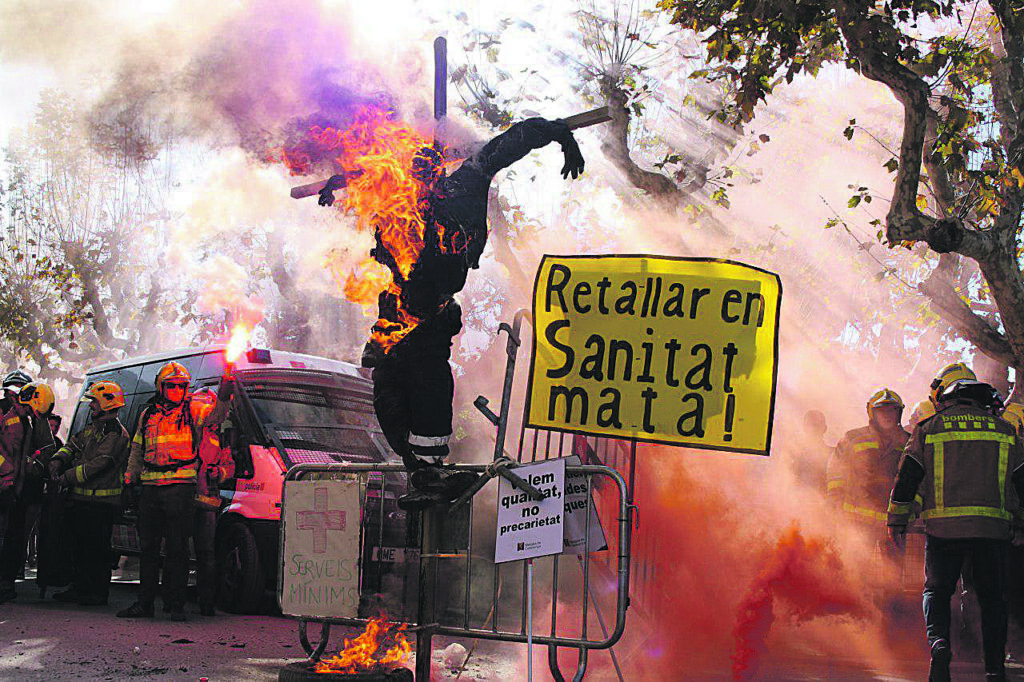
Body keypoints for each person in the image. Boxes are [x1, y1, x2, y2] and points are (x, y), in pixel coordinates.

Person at [318, 116, 585, 509]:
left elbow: (508, 143)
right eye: (412, 168)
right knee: (388, 392)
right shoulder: (394, 197)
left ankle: (429, 471)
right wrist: (337, 185)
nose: (416, 176)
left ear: (437, 170)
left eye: (424, 167)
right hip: (394, 316)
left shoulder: (463, 187)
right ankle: (422, 473)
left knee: (429, 388)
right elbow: (366, 179)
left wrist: (561, 133)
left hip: (432, 315)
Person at [888, 378, 1024, 682]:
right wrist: (1020, 524)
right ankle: (994, 668)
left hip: (942, 530)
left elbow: (908, 477)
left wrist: (896, 520)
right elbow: (1022, 482)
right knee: (992, 599)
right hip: (991, 530)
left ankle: (939, 644)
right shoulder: (1005, 430)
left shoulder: (929, 427)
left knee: (936, 591)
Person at [117, 362, 233, 621]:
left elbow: (216, 416)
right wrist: (128, 480)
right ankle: (144, 604)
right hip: (150, 490)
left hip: (180, 490)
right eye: (171, 386)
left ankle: (177, 606)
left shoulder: (194, 409)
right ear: (161, 387)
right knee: (147, 551)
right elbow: (137, 450)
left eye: (181, 386)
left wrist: (224, 396)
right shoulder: (147, 415)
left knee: (178, 550)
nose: (177, 390)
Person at [47, 381, 130, 606]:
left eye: (94, 401)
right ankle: (80, 587)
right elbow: (73, 445)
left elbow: (97, 465)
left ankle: (96, 592)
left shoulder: (115, 434)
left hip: (102, 503)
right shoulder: (94, 428)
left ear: (106, 402)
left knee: (97, 550)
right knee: (80, 547)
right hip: (83, 500)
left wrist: (66, 477)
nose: (91, 405)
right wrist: (58, 459)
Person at [0, 378, 56, 604]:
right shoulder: (11, 422)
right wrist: (8, 482)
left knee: (11, 539)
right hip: (6, 487)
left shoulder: (26, 422)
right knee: (5, 539)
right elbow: (6, 458)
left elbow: (47, 446)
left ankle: (6, 584)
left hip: (13, 489)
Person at [826, 389, 911, 533]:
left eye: (892, 411)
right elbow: (836, 470)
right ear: (872, 413)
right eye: (881, 411)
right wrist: (836, 498)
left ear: (899, 413)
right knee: (856, 556)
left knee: (893, 557)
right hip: (856, 520)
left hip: (893, 523)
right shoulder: (852, 438)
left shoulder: (909, 442)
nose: (887, 415)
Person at [192, 388, 235, 617]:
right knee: (175, 550)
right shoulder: (186, 430)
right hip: (183, 498)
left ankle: (206, 602)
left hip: (207, 501)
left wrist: (219, 472)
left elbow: (230, 466)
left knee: (206, 553)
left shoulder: (219, 436)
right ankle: (173, 600)